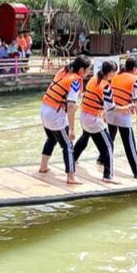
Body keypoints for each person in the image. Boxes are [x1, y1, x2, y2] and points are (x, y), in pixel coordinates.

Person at [38, 55, 91, 185]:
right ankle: (71, 177)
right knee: (68, 145)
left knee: (51, 139)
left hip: (44, 109)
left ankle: (43, 166)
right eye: (88, 69)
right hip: (55, 115)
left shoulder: (63, 71)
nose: (89, 72)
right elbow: (71, 105)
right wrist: (72, 129)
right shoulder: (76, 81)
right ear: (82, 70)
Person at [73, 60, 120, 184]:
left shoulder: (93, 79)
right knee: (109, 145)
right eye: (114, 72)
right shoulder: (106, 86)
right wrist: (127, 108)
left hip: (83, 115)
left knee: (84, 137)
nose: (114, 75)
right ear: (110, 73)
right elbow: (112, 107)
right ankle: (108, 176)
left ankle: (72, 159)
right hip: (93, 120)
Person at [107, 57, 137, 180]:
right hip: (123, 114)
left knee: (110, 139)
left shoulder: (115, 76)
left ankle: (102, 159)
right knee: (129, 145)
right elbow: (136, 101)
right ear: (135, 68)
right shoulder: (134, 80)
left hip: (111, 111)